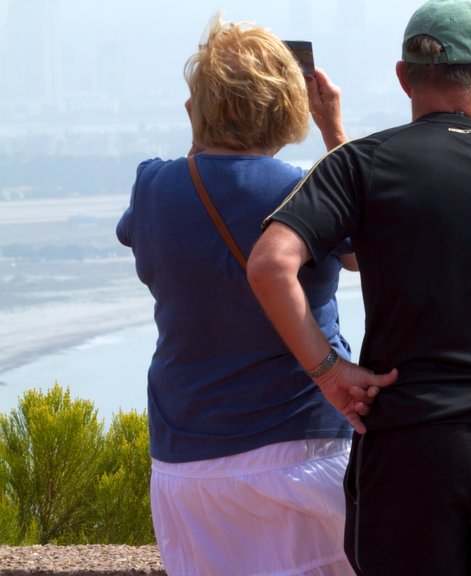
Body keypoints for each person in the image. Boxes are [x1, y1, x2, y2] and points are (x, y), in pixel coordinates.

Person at [247, 1, 471, 574]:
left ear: (404, 76)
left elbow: (269, 266)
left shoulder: (359, 166)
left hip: (413, 445)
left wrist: (329, 373)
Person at [116, 14, 372, 576]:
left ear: (196, 106)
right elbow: (366, 254)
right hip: (300, 449)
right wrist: (334, 133)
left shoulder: (152, 187)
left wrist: (203, 132)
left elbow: (163, 223)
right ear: (290, 107)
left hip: (187, 461)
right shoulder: (307, 189)